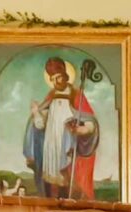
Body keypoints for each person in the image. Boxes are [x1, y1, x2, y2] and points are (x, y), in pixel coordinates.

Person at [23, 57, 99, 199]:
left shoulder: (76, 95)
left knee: (67, 179)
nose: (55, 82)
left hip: (67, 144)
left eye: (58, 77)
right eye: (52, 79)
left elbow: (91, 123)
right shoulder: (51, 96)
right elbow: (40, 123)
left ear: (65, 75)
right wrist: (36, 112)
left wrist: (81, 130)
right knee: (51, 180)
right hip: (51, 145)